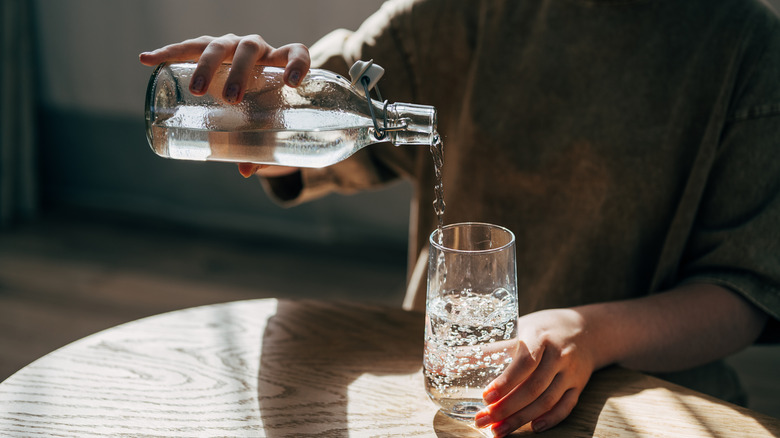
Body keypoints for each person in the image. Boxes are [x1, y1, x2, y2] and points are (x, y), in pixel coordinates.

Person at [140, 0, 780, 435]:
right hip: (451, 399)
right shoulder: (456, 12)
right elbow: (309, 143)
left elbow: (744, 291)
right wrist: (251, 106)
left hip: (647, 398)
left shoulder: (745, 46)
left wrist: (591, 333)